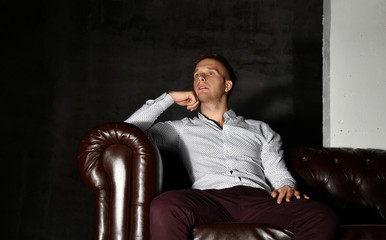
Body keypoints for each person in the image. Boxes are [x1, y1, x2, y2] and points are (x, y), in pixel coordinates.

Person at [125, 52, 338, 240]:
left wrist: (286, 185)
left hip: (258, 200)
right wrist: (168, 98)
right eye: (197, 74)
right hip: (209, 199)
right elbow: (127, 132)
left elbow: (276, 169)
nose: (200, 77)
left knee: (320, 214)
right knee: (165, 204)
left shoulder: (260, 129)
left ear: (227, 85)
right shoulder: (180, 129)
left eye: (210, 73)